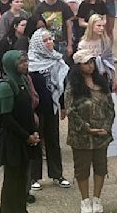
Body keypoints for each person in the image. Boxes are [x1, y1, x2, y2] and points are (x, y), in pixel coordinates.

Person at [65, 49, 115, 213]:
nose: (90, 66)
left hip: (101, 134)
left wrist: (106, 128)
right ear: (79, 66)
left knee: (101, 167)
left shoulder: (101, 83)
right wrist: (87, 129)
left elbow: (110, 108)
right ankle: (85, 200)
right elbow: (71, 111)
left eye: (92, 62)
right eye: (86, 63)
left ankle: (97, 199)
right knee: (82, 168)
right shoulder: (73, 87)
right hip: (81, 136)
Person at [0, 50, 40, 213]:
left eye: (26, 61)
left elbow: (28, 111)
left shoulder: (23, 80)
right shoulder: (5, 86)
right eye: (21, 62)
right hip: (13, 140)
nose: (25, 64)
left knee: (23, 180)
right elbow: (6, 118)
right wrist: (26, 136)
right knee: (12, 181)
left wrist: (34, 132)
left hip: (26, 138)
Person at [28, 29, 71, 191]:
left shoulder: (56, 59)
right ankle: (34, 177)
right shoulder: (31, 62)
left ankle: (57, 174)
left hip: (52, 107)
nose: (49, 42)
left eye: (50, 39)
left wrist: (63, 106)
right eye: (45, 40)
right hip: (36, 110)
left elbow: (61, 86)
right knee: (36, 142)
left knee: (53, 140)